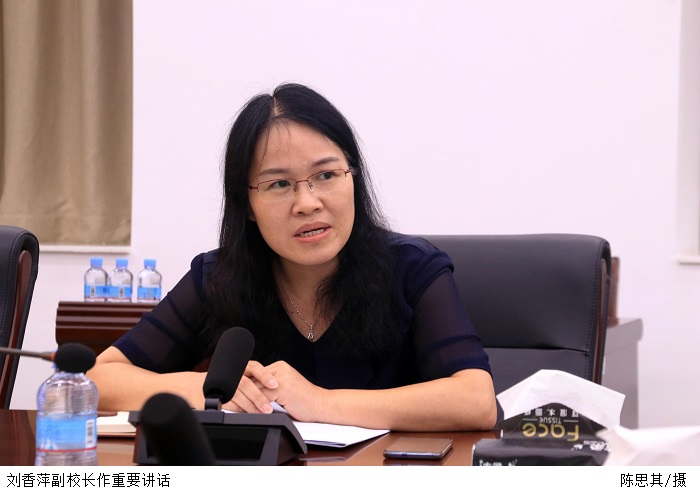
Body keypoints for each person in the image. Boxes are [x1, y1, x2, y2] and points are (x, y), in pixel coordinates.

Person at [88, 83, 497, 432]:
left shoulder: (413, 269)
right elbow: (100, 379)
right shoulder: (217, 278)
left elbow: (476, 401)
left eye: (326, 175)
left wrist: (320, 402)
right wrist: (199, 388)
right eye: (279, 184)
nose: (307, 203)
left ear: (353, 178)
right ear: (247, 205)